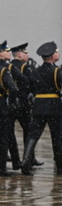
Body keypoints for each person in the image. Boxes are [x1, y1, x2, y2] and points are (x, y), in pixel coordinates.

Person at [20, 42, 62, 175]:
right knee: (56, 137)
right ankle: (61, 166)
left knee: (33, 135)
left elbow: (30, 88)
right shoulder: (56, 71)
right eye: (56, 52)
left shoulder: (35, 71)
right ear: (51, 56)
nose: (58, 54)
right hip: (53, 106)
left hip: (39, 105)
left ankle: (26, 162)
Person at [0, 41, 20, 175]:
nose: (8, 53)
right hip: (2, 104)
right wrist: (12, 101)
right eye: (6, 51)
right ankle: (1, 168)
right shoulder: (3, 70)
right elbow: (13, 88)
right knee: (4, 137)